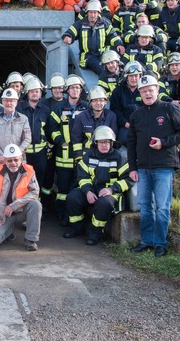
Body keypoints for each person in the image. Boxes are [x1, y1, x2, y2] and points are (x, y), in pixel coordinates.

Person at [128, 74, 180, 257]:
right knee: (145, 206)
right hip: (143, 167)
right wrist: (132, 167)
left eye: (150, 90)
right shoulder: (136, 115)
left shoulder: (169, 109)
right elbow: (131, 143)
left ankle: (160, 243)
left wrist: (164, 142)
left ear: (157, 90)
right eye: (143, 91)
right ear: (139, 93)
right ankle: (146, 241)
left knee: (162, 207)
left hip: (164, 166)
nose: (147, 93)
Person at [64, 126, 130, 245]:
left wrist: (112, 189)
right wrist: (87, 191)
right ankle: (76, 228)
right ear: (95, 142)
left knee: (104, 203)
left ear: (112, 143)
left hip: (111, 192)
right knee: (72, 198)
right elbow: (82, 176)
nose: (104, 145)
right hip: (92, 189)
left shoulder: (120, 157)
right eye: (101, 142)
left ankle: (95, 233)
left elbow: (128, 178)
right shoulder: (88, 156)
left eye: (106, 142)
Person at [0, 144, 42, 251]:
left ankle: (30, 240)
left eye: (16, 160)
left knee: (36, 205)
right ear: (4, 161)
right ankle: (8, 231)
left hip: (21, 211)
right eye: (9, 160)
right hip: (2, 213)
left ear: (21, 159)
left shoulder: (29, 172)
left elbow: (35, 192)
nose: (13, 163)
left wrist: (14, 205)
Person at [48, 75, 88, 222]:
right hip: (63, 156)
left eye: (77, 87)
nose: (75, 90)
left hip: (80, 156)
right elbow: (52, 128)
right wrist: (59, 140)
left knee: (76, 189)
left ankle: (75, 218)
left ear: (81, 90)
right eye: (72, 87)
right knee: (62, 190)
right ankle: (61, 215)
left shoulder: (86, 108)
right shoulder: (59, 108)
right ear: (67, 90)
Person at [62, 0, 125, 75]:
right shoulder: (80, 24)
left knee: (114, 55)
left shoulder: (105, 23)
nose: (92, 15)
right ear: (87, 13)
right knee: (97, 65)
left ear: (98, 13)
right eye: (91, 12)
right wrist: (68, 37)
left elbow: (112, 35)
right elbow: (71, 31)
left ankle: (121, 73)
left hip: (102, 53)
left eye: (95, 12)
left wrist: (119, 44)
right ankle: (106, 77)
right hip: (87, 56)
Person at [71, 86, 118, 160]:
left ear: (105, 101)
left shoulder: (111, 116)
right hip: (86, 156)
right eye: (95, 100)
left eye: (101, 100)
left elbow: (112, 139)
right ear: (90, 102)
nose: (98, 103)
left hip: (105, 157)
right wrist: (79, 157)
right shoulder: (81, 117)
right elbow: (76, 139)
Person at [0, 88, 32, 165]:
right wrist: (0, 154)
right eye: (6, 100)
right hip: (0, 159)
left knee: (20, 177)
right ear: (2, 102)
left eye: (11, 100)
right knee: (0, 177)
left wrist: (17, 154)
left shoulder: (23, 119)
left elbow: (27, 139)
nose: (9, 103)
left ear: (16, 102)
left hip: (18, 160)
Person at [110, 61, 145, 146]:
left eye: (136, 75)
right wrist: (125, 123)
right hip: (125, 125)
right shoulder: (118, 91)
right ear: (126, 77)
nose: (134, 79)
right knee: (125, 139)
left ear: (140, 76)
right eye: (131, 76)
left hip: (142, 124)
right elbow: (115, 110)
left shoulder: (145, 90)